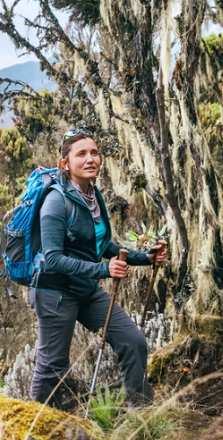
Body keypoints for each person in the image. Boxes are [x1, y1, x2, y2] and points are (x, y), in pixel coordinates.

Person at [29, 127, 167, 409]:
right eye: (81, 154)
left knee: (133, 342)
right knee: (53, 366)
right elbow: (53, 258)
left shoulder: (93, 194)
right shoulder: (56, 201)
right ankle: (37, 432)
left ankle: (141, 415)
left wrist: (145, 258)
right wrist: (104, 271)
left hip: (86, 291)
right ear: (65, 164)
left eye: (94, 152)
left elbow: (101, 245)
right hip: (55, 293)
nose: (91, 158)